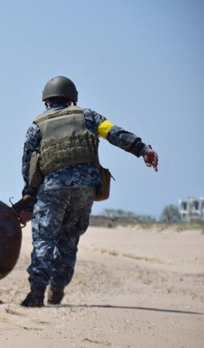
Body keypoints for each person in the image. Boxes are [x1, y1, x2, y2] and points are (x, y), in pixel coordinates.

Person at [19, 76, 159, 307]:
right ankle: (56, 290)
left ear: (47, 101)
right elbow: (115, 133)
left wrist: (29, 199)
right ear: (72, 99)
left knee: (44, 240)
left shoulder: (37, 126)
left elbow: (28, 167)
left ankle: (36, 292)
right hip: (85, 190)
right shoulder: (89, 117)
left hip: (52, 190)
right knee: (69, 241)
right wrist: (142, 149)